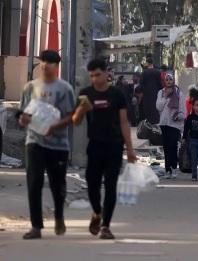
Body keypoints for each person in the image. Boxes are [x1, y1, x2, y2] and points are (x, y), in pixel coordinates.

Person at [72, 59, 137, 240]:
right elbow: (75, 121)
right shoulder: (86, 94)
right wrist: (81, 110)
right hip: (95, 145)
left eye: (97, 74)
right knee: (92, 183)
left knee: (110, 186)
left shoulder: (117, 94)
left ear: (106, 73)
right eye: (91, 75)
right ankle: (97, 212)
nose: (94, 79)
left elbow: (124, 122)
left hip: (114, 145)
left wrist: (130, 149)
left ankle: (106, 226)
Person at [17, 50, 76, 240]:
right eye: (43, 61)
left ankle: (59, 215)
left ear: (56, 66)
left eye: (50, 62)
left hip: (58, 144)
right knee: (34, 182)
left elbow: (72, 116)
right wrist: (23, 120)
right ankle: (36, 226)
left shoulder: (64, 89)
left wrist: (55, 126)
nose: (45, 65)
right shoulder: (30, 87)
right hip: (34, 141)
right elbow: (21, 112)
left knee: (57, 184)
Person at [156, 73, 186, 179]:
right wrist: (165, 96)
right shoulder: (161, 92)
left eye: (170, 79)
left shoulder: (179, 93)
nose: (168, 81)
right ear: (164, 81)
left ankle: (174, 168)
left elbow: (183, 109)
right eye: (167, 79)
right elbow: (158, 107)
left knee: (173, 146)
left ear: (173, 81)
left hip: (175, 124)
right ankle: (167, 170)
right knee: (166, 147)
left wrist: (179, 116)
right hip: (164, 123)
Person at [140, 57, 162, 124]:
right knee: (155, 109)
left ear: (147, 63)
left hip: (147, 95)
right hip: (156, 94)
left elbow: (141, 84)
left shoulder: (144, 72)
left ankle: (148, 123)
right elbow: (160, 84)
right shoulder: (157, 72)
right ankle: (156, 123)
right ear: (152, 63)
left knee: (148, 109)